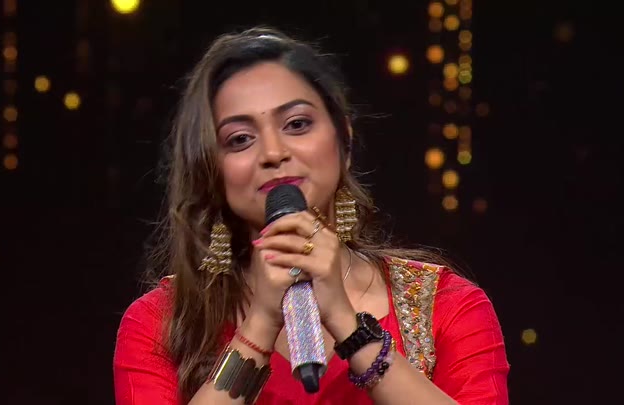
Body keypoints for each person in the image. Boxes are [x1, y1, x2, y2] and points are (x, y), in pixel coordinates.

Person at [113, 26, 509, 405]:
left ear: (344, 141)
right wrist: (259, 326)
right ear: (211, 170)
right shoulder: (160, 323)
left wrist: (346, 323)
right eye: (240, 139)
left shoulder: (446, 306)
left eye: (297, 124)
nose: (273, 152)